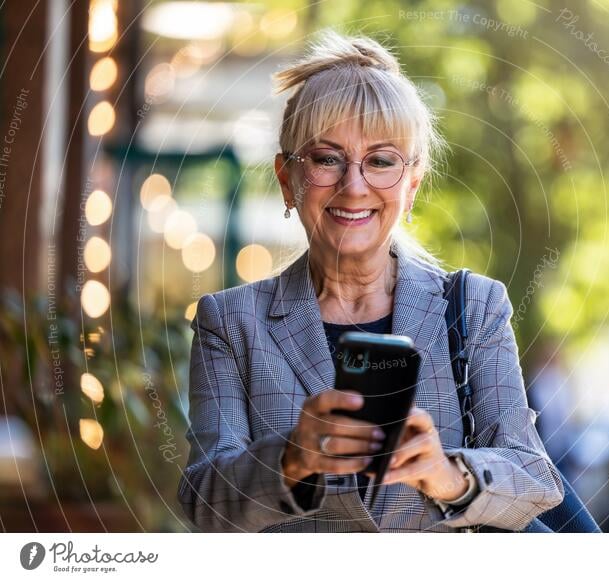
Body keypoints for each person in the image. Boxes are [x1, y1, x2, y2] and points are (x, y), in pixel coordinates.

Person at [177, 29, 564, 533]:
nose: (354, 186)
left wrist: (449, 476)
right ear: (286, 178)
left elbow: (537, 480)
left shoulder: (474, 308)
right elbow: (203, 506)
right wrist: (292, 460)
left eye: (381, 161)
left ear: (412, 184)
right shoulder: (231, 323)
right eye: (326, 158)